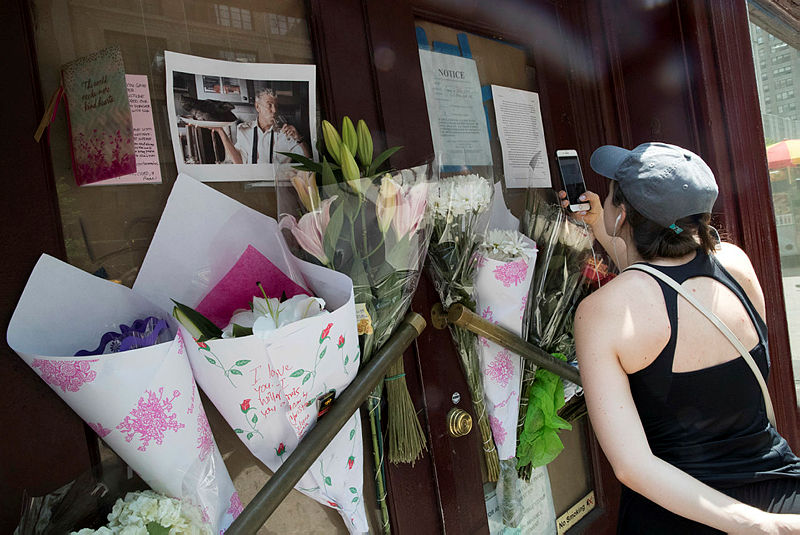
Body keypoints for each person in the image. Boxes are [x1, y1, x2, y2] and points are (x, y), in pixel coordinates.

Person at [561, 142, 800, 534]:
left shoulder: (601, 313)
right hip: (781, 496)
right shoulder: (735, 264)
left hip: (681, 516)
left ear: (621, 215)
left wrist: (757, 526)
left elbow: (632, 465)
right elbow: (670, 282)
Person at [212, 88, 310, 164]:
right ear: (258, 107)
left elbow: (308, 161)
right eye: (269, 105)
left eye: (276, 106)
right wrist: (221, 131)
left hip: (276, 186)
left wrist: (299, 138)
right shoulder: (243, 129)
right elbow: (239, 162)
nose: (274, 110)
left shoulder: (285, 134)